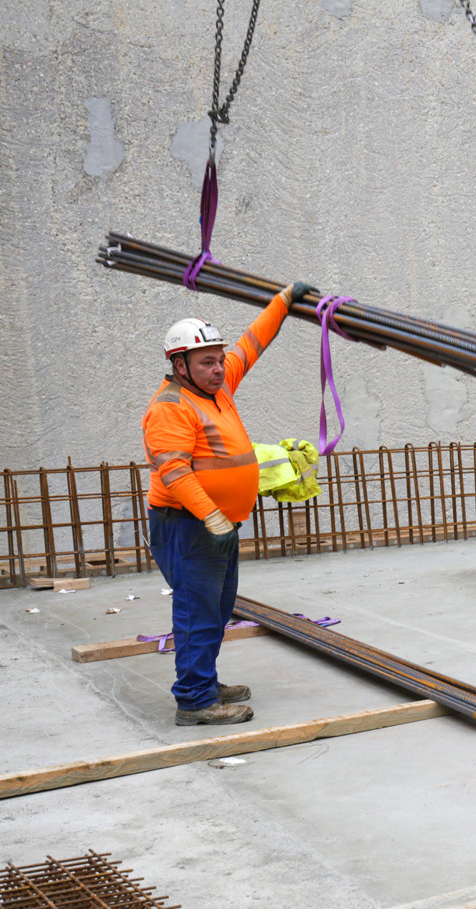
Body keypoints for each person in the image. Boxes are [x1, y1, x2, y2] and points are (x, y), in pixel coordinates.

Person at [143, 280, 312, 725]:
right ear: (180, 365)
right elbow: (174, 472)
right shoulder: (170, 407)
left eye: (219, 360)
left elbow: (251, 343)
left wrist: (284, 301)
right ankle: (195, 701)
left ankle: (204, 680)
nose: (219, 368)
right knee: (197, 610)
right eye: (207, 362)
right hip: (188, 525)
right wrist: (212, 515)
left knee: (216, 609)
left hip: (217, 525)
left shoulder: (216, 387)